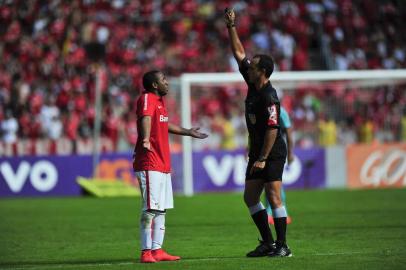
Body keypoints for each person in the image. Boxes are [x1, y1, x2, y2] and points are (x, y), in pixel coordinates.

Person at [224, 8, 292, 257]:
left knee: (274, 196)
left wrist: (263, 158)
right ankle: (267, 242)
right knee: (250, 196)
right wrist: (231, 26)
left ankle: (284, 246)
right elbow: (238, 53)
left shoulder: (269, 97)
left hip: (271, 153)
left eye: (252, 67)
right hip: (257, 151)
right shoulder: (253, 83)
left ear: (262, 72)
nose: (247, 68)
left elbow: (274, 129)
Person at [133, 70, 208, 263]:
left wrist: (188, 132)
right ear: (155, 85)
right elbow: (145, 118)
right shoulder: (148, 98)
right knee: (150, 208)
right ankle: (145, 252)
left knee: (161, 209)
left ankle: (157, 250)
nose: (167, 82)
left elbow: (165, 125)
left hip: (162, 163)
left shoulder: (160, 103)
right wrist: (146, 139)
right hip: (150, 161)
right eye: (164, 80)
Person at [266, 106, 293, 225]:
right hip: (264, 151)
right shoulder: (263, 110)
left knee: (274, 183)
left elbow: (289, 134)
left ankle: (281, 212)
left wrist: (290, 154)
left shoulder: (282, 112)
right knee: (267, 183)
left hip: (276, 152)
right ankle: (271, 212)